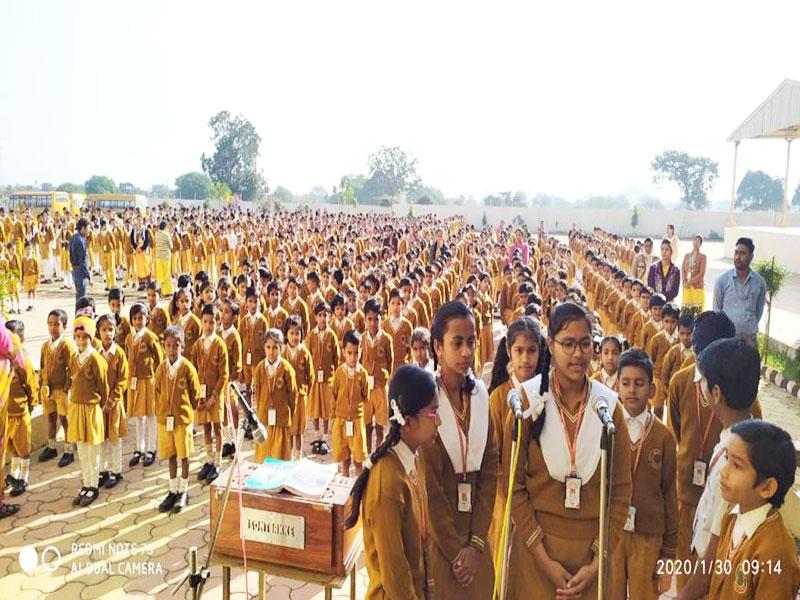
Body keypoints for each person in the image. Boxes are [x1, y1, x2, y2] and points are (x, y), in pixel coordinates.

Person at [507, 302, 631, 599]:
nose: (578, 354)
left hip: (591, 560)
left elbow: (621, 490)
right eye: (568, 344)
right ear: (551, 345)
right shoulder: (528, 400)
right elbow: (514, 486)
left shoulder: (609, 407)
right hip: (536, 555)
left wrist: (597, 562)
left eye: (586, 344)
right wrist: (542, 558)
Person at [344, 364, 440, 600]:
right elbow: (395, 575)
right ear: (408, 421)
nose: (439, 421)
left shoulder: (413, 458)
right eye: (433, 412)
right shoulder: (387, 482)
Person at [422, 301, 497, 599]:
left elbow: (490, 472)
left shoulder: (480, 396)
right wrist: (456, 552)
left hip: (476, 536)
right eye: (457, 343)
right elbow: (430, 487)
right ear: (438, 347)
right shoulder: (427, 401)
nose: (466, 352)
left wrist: (477, 543)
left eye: (471, 342)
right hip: (441, 540)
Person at [679, 338, 761, 599]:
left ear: (715, 393)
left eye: (702, 380)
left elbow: (715, 549)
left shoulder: (733, 461)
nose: (699, 385)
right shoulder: (733, 439)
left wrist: (684, 596)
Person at [610, 349, 677, 600]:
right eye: (625, 383)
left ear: (652, 390)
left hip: (648, 538)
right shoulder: (608, 429)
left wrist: (669, 555)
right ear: (617, 387)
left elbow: (670, 495)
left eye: (639, 384)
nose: (632, 390)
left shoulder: (664, 438)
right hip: (613, 534)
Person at [708, 420, 800, 599]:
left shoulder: (776, 552)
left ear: (767, 488)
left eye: (737, 465)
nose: (723, 472)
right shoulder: (731, 517)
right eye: (727, 459)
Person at [486, 316, 543, 557]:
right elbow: (493, 457)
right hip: (505, 495)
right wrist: (512, 494)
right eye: (519, 350)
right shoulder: (498, 398)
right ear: (509, 351)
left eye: (531, 351)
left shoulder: (546, 394)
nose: (525, 359)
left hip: (540, 496)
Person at [155, 326, 200, 513]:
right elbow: (157, 391)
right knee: (171, 455)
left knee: (184, 456)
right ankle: (172, 490)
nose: (172, 349)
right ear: (164, 347)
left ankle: (183, 490)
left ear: (182, 346)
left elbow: (195, 394)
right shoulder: (161, 368)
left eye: (176, 345)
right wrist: (162, 411)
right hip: (166, 420)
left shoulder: (187, 368)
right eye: (168, 345)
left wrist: (187, 410)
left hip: (182, 420)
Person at [69, 315, 109, 507]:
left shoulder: (96, 360)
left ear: (91, 338)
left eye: (85, 337)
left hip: (92, 409)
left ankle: (93, 485)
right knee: (82, 449)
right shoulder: (73, 357)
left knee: (93, 450)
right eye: (78, 337)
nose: (81, 340)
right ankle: (85, 483)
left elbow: (104, 388)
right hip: (77, 408)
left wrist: (99, 407)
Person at [191, 304, 229, 482]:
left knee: (217, 427)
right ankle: (208, 459)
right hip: (202, 395)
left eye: (212, 322)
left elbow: (224, 374)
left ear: (218, 323)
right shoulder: (197, 345)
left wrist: (214, 397)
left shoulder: (220, 345)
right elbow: (193, 370)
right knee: (206, 426)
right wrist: (197, 395)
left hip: (215, 395)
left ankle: (218, 461)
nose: (208, 326)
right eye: (205, 322)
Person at [126, 303, 164, 468]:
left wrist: (158, 378)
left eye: (141, 318)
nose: (138, 321)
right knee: (138, 415)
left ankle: (151, 448)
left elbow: (159, 357)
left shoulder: (150, 336)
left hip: (149, 379)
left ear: (147, 319)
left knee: (150, 415)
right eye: (135, 318)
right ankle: (139, 448)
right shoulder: (129, 338)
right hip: (135, 381)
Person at [38, 309, 77, 467]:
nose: (53, 327)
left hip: (62, 389)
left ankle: (69, 449)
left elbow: (73, 368)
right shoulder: (45, 346)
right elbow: (42, 367)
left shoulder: (67, 345)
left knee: (65, 418)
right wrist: (42, 384)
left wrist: (69, 388)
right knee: (51, 417)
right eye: (50, 324)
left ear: (64, 325)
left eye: (57, 324)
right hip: (49, 389)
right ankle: (52, 446)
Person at [4, 320, 37, 497]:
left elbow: (31, 385)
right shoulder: (3, 363)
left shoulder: (23, 363)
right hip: (6, 414)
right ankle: (14, 474)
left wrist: (31, 405)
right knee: (13, 446)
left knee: (23, 447)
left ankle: (24, 477)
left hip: (19, 412)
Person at [712, 237, 766, 346]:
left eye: (742, 253)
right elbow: (717, 310)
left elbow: (759, 311)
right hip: (726, 339)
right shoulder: (722, 280)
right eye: (736, 253)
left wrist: (749, 327)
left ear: (751, 257)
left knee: (749, 363)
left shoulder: (759, 283)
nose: (737, 257)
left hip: (749, 340)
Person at [97, 314, 129, 489]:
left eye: (111, 329)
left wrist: (112, 400)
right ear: (98, 332)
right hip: (100, 405)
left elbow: (123, 380)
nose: (108, 333)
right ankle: (102, 470)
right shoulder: (96, 353)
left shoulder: (119, 354)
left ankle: (116, 470)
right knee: (101, 438)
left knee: (115, 438)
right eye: (104, 330)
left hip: (114, 405)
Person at [332, 330, 369, 476]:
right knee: (344, 458)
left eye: (356, 353)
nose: (353, 357)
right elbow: (333, 396)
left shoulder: (362, 374)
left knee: (358, 459)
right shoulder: (339, 373)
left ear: (360, 351)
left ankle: (359, 490)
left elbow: (366, 396)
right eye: (349, 353)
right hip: (341, 420)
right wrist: (333, 416)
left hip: (356, 420)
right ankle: (346, 486)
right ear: (343, 352)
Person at [360, 298, 394, 454]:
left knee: (380, 425)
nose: (373, 323)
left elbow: (390, 362)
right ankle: (367, 454)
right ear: (365, 319)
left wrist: (383, 377)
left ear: (382, 318)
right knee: (367, 425)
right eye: (370, 319)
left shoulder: (386, 339)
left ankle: (378, 453)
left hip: (380, 387)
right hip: (366, 389)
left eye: (376, 319)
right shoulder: (361, 339)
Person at [284, 315, 313, 460]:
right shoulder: (282, 353)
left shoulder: (304, 352)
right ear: (286, 334)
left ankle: (298, 457)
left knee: (299, 430)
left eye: (298, 333)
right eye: (291, 333)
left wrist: (305, 390)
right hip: (286, 398)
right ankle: (288, 457)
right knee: (289, 429)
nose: (295, 336)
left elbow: (311, 375)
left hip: (300, 396)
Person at [681, 235, 706, 314]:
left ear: (700, 244)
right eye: (695, 240)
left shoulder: (702, 257)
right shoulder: (687, 255)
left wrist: (690, 282)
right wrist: (685, 280)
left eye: (698, 241)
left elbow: (701, 274)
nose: (696, 243)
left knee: (696, 312)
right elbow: (682, 269)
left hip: (697, 288)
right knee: (686, 311)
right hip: (687, 288)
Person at [69, 217, 92, 301]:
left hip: (75, 269)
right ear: (83, 228)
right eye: (88, 228)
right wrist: (88, 276)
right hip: (80, 271)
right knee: (82, 297)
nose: (89, 231)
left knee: (79, 295)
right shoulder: (80, 241)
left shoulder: (74, 237)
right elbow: (82, 260)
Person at [153, 220, 174, 296]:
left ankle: (161, 291)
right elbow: (171, 246)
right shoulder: (166, 235)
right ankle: (167, 291)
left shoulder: (156, 234)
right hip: (166, 257)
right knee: (166, 274)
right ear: (165, 227)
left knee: (160, 275)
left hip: (158, 256)